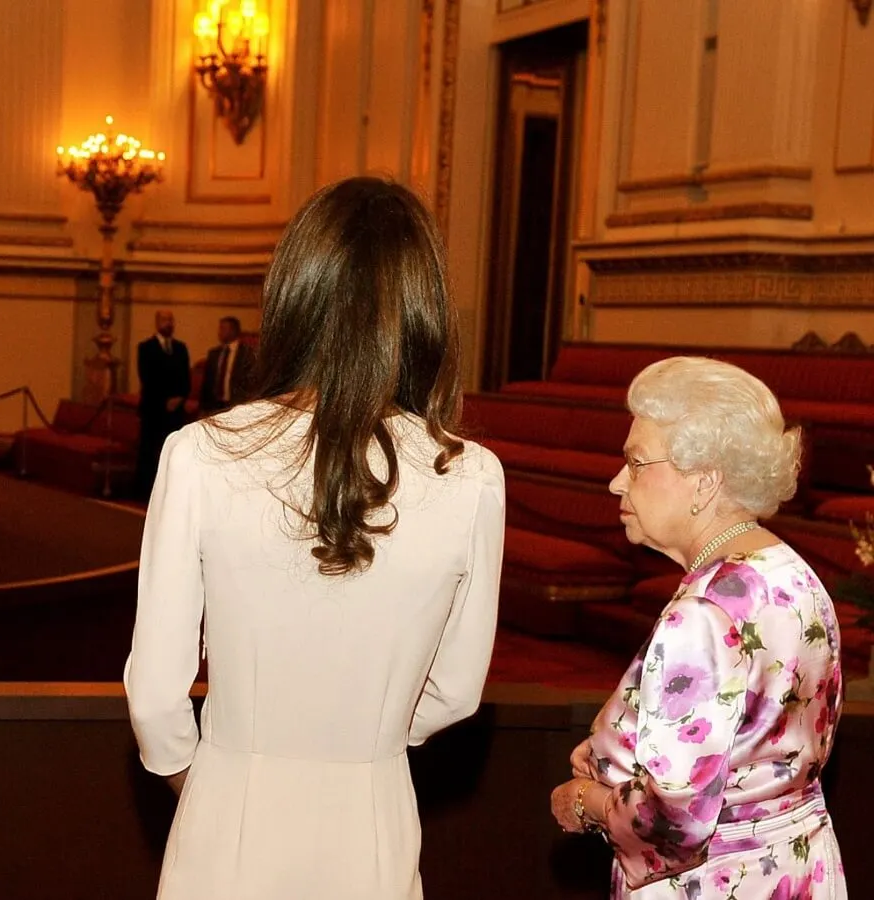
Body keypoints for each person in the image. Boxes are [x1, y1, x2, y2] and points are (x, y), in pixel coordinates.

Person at [124, 177, 504, 899]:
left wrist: (208, 777)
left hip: (229, 810)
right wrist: (367, 742)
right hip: (373, 814)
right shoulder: (472, 475)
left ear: (294, 292)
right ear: (424, 310)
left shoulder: (200, 452)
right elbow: (456, 692)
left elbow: (155, 697)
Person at [550, 357, 847, 899]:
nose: (618, 481)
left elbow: (672, 823)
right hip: (792, 867)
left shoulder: (703, 615)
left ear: (704, 482)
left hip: (713, 883)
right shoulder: (793, 572)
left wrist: (582, 800)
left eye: (637, 463)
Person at [135, 310, 191, 497]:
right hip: (154, 408)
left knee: (174, 450)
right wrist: (163, 401)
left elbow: (186, 378)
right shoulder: (145, 347)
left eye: (171, 320)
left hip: (175, 410)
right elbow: (147, 378)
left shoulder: (181, 348)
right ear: (157, 322)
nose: (169, 323)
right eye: (165, 320)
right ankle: (147, 490)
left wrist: (179, 398)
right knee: (150, 449)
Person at [198, 315, 253, 414]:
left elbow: (251, 382)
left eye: (223, 328)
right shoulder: (214, 353)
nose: (219, 332)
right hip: (214, 405)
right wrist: (203, 407)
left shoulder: (247, 354)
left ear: (233, 330)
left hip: (236, 405)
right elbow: (207, 382)